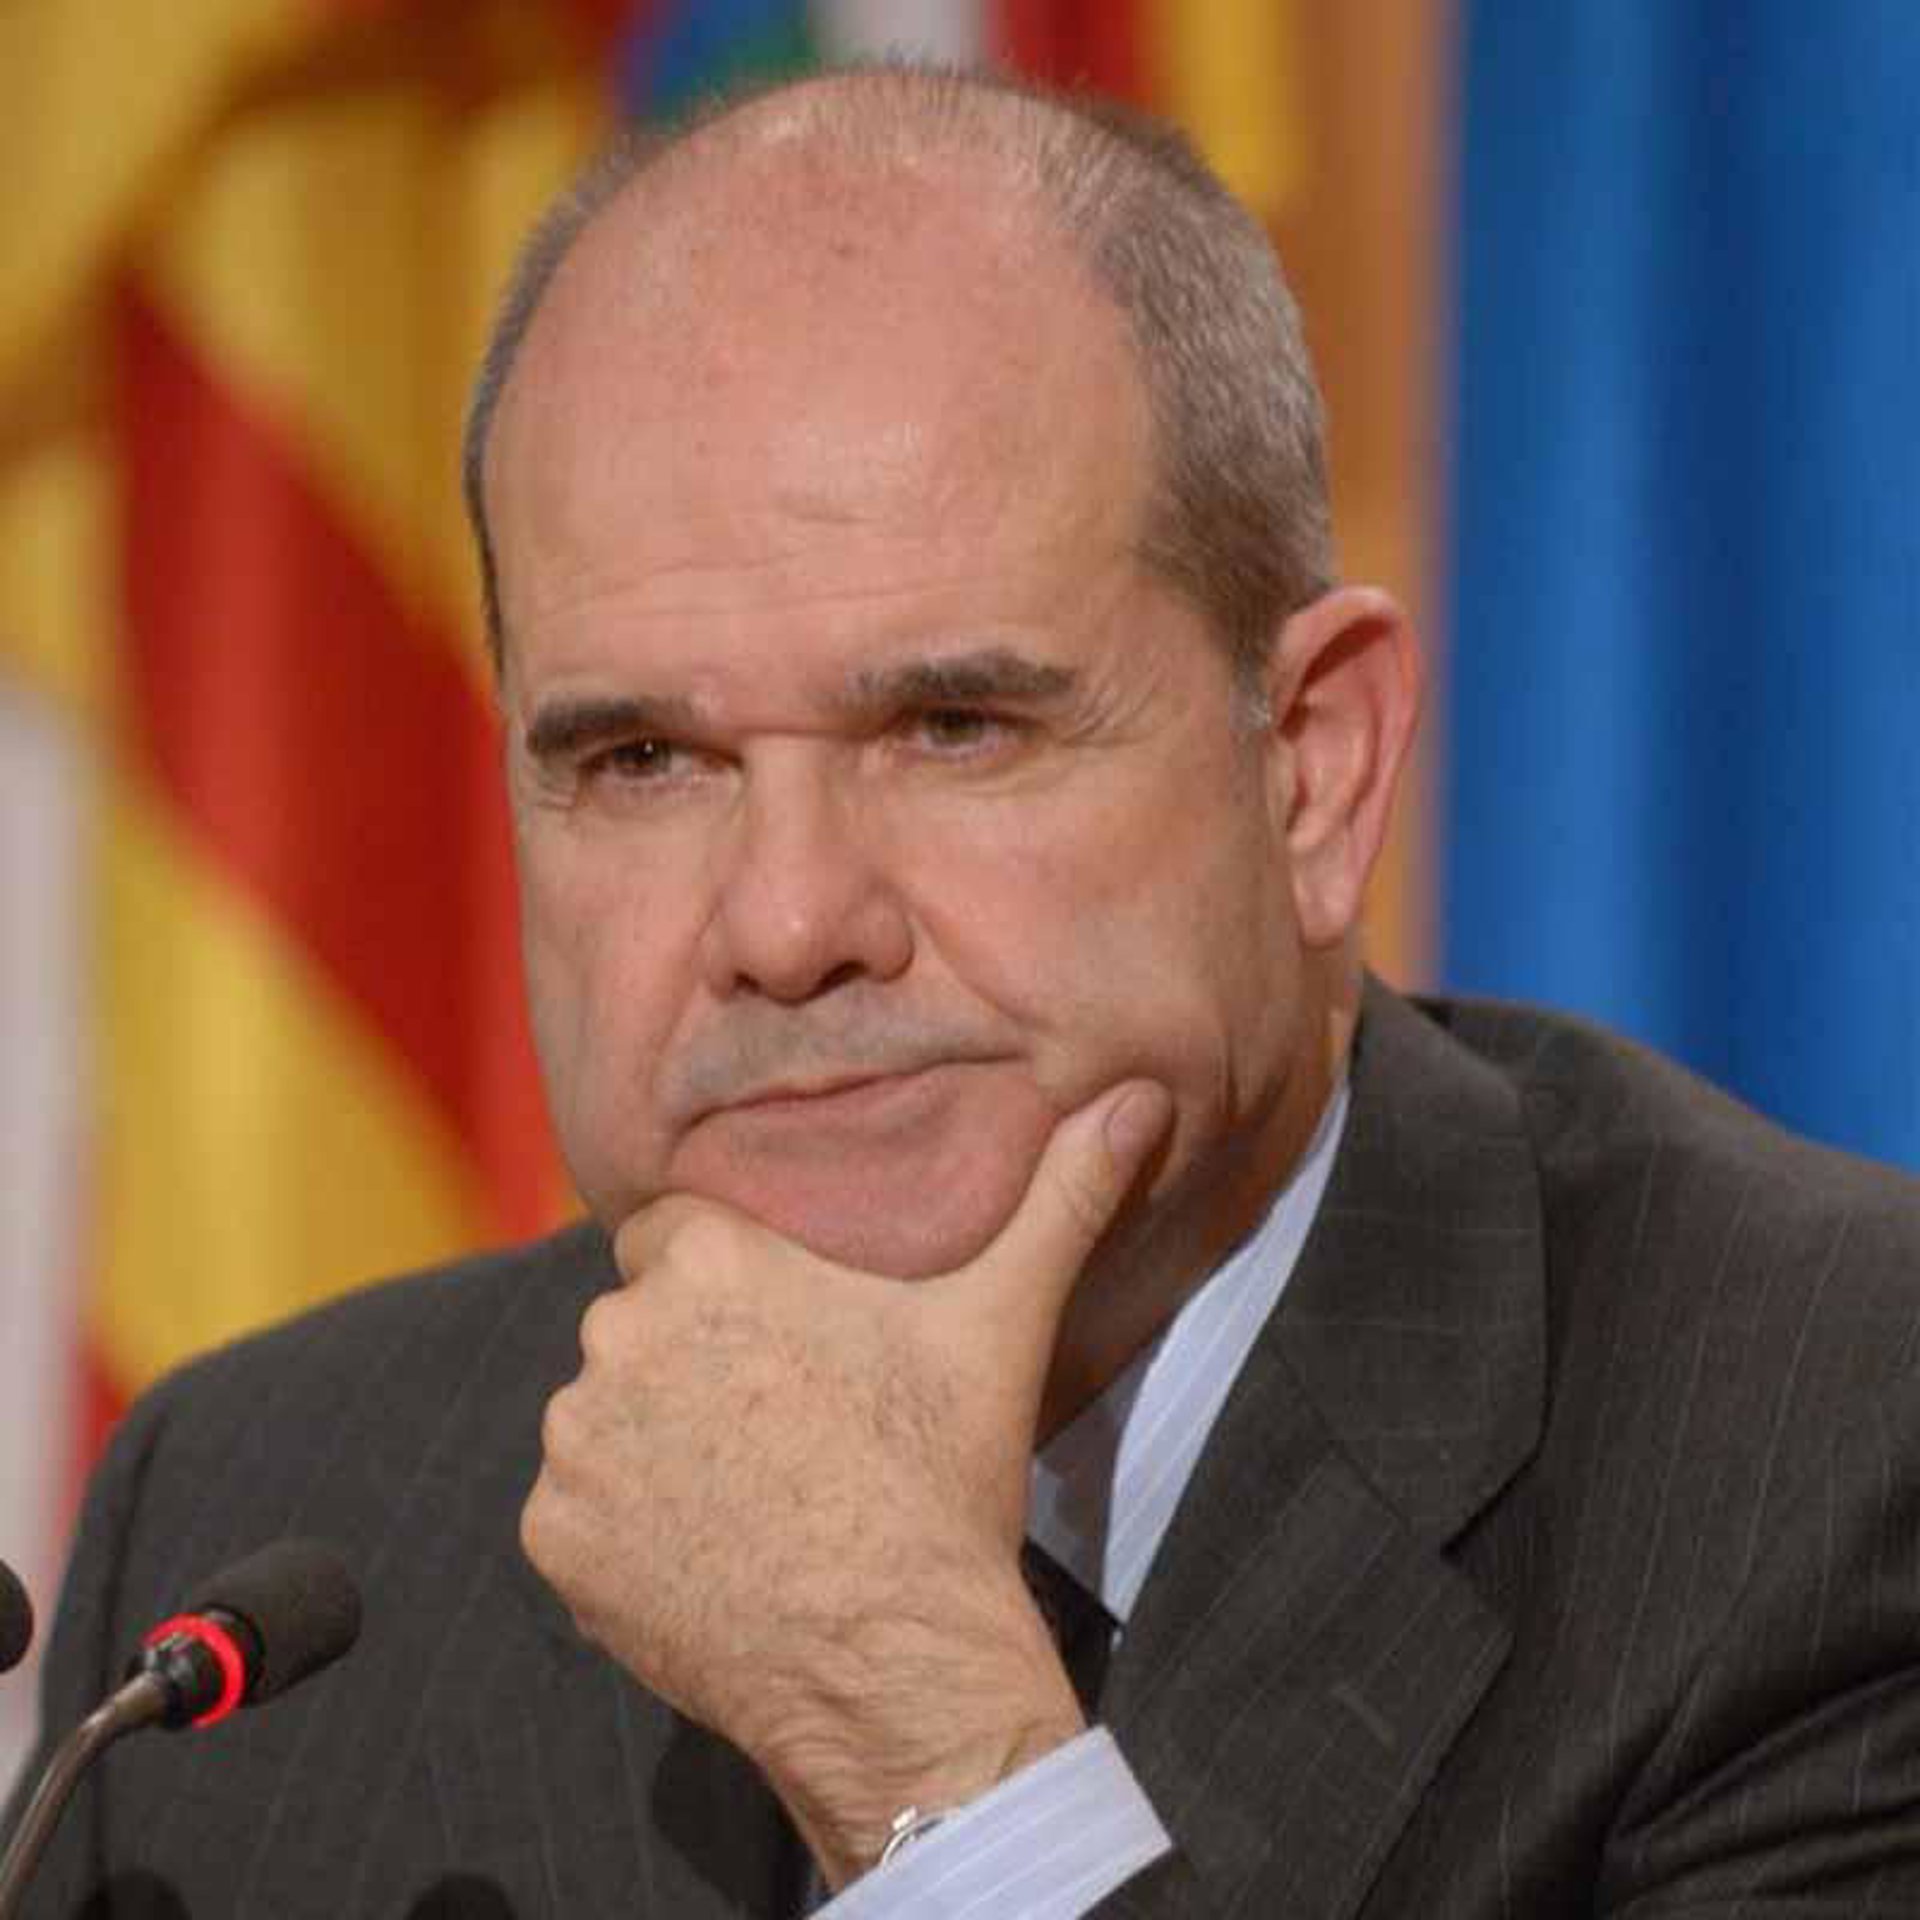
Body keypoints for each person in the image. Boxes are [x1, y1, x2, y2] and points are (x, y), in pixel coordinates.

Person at [13, 65, 1920, 1920]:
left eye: (953, 727)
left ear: (1313, 771)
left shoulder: (1827, 1459)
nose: (786, 925)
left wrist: (917, 1735)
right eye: (641, 761)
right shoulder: (269, 1517)